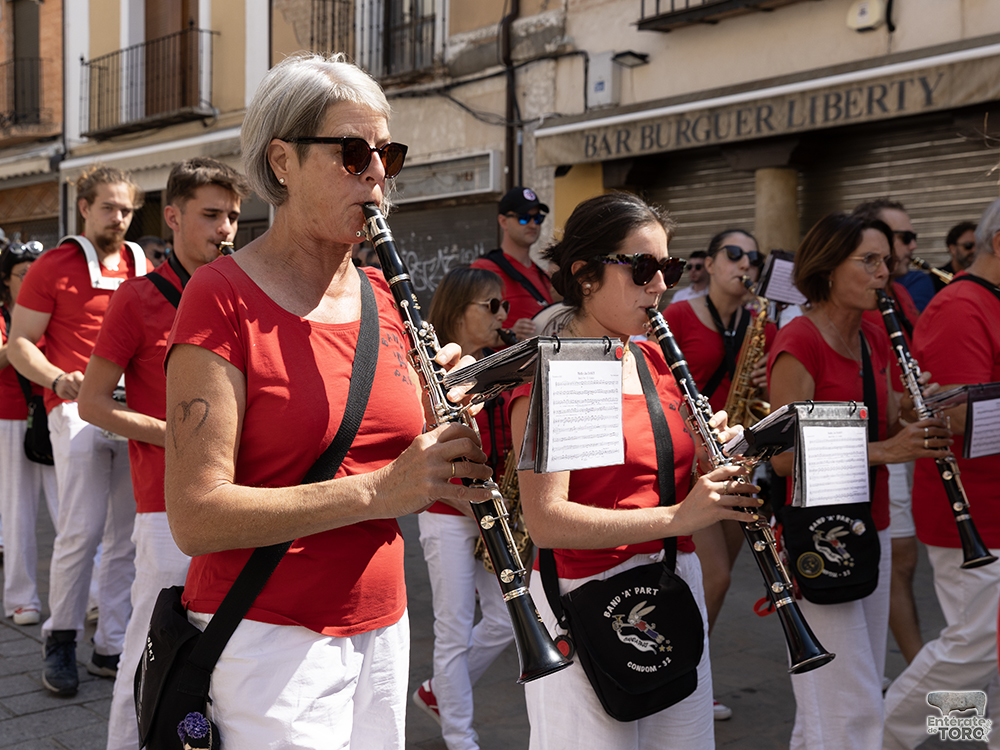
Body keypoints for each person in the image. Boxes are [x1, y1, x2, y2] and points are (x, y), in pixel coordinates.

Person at [163, 52, 494, 748]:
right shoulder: (220, 296)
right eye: (352, 152)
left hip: (384, 626)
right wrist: (381, 490)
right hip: (267, 639)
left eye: (386, 153)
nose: (375, 172)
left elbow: (416, 466)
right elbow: (195, 517)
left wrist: (454, 421)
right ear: (281, 160)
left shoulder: (386, 299)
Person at [510, 192, 756, 750]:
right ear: (586, 274)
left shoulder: (651, 358)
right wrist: (679, 515)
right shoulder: (563, 369)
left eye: (667, 268)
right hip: (583, 597)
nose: (660, 285)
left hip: (668, 582)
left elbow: (666, 479)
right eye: (643, 268)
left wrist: (708, 458)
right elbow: (547, 521)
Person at [76, 157, 249, 750]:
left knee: (228, 655)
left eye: (232, 216)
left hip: (246, 499)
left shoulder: (247, 292)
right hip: (165, 507)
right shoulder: (136, 298)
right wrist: (180, 437)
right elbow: (95, 405)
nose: (225, 229)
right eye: (210, 215)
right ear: (172, 217)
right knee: (149, 651)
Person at [767, 211, 950, 750]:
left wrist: (912, 413)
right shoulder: (800, 341)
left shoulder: (872, 334)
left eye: (886, 262)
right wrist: (887, 449)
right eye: (868, 261)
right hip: (820, 533)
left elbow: (880, 417)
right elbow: (783, 460)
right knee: (852, 704)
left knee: (835, 698)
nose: (883, 273)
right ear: (827, 267)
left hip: (869, 522)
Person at [8, 165, 151, 696]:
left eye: (127, 209)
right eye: (109, 207)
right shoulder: (54, 264)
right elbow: (21, 342)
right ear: (84, 207)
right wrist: (58, 379)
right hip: (72, 410)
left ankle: (111, 644)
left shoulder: (143, 262)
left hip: (128, 411)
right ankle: (60, 639)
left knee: (124, 538)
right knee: (80, 531)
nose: (119, 218)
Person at [882, 199, 1000, 750]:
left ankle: (975, 734)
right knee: (976, 645)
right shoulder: (961, 306)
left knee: (985, 656)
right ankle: (879, 735)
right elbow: (954, 413)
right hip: (973, 507)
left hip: (989, 505)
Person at [662, 228, 776, 721]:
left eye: (752, 257)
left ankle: (688, 673)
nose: (744, 264)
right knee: (717, 575)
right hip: (692, 464)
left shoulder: (755, 321)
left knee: (718, 582)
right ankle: (673, 673)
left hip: (734, 456)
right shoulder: (681, 314)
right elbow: (659, 380)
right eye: (734, 254)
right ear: (708, 263)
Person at [411, 267, 515, 750]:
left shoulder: (499, 361)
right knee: (452, 630)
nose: (502, 315)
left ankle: (439, 692)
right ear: (456, 313)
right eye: (490, 306)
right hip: (448, 515)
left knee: (502, 619)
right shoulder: (430, 370)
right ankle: (460, 735)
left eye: (503, 306)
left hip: (488, 508)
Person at [853, 198, 925, 666]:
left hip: (899, 432)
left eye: (905, 239)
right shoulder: (859, 304)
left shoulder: (898, 295)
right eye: (898, 240)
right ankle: (919, 668)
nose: (905, 250)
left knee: (901, 558)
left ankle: (884, 665)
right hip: (875, 443)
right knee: (894, 559)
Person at [0, 241, 57, 626]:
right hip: (10, 417)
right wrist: (23, 338)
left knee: (69, 512)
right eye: (25, 273)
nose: (33, 279)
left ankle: (89, 597)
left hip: (52, 414)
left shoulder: (54, 311)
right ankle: (21, 599)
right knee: (17, 511)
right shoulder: (4, 315)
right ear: (6, 280)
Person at [471, 186, 556, 339]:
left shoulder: (543, 276)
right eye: (523, 218)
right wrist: (510, 333)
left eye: (538, 218)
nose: (533, 225)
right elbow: (470, 329)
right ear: (503, 221)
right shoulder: (483, 269)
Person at [932, 220, 976, 293]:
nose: (974, 250)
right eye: (968, 246)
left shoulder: (985, 278)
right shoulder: (934, 280)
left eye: (979, 246)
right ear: (952, 249)